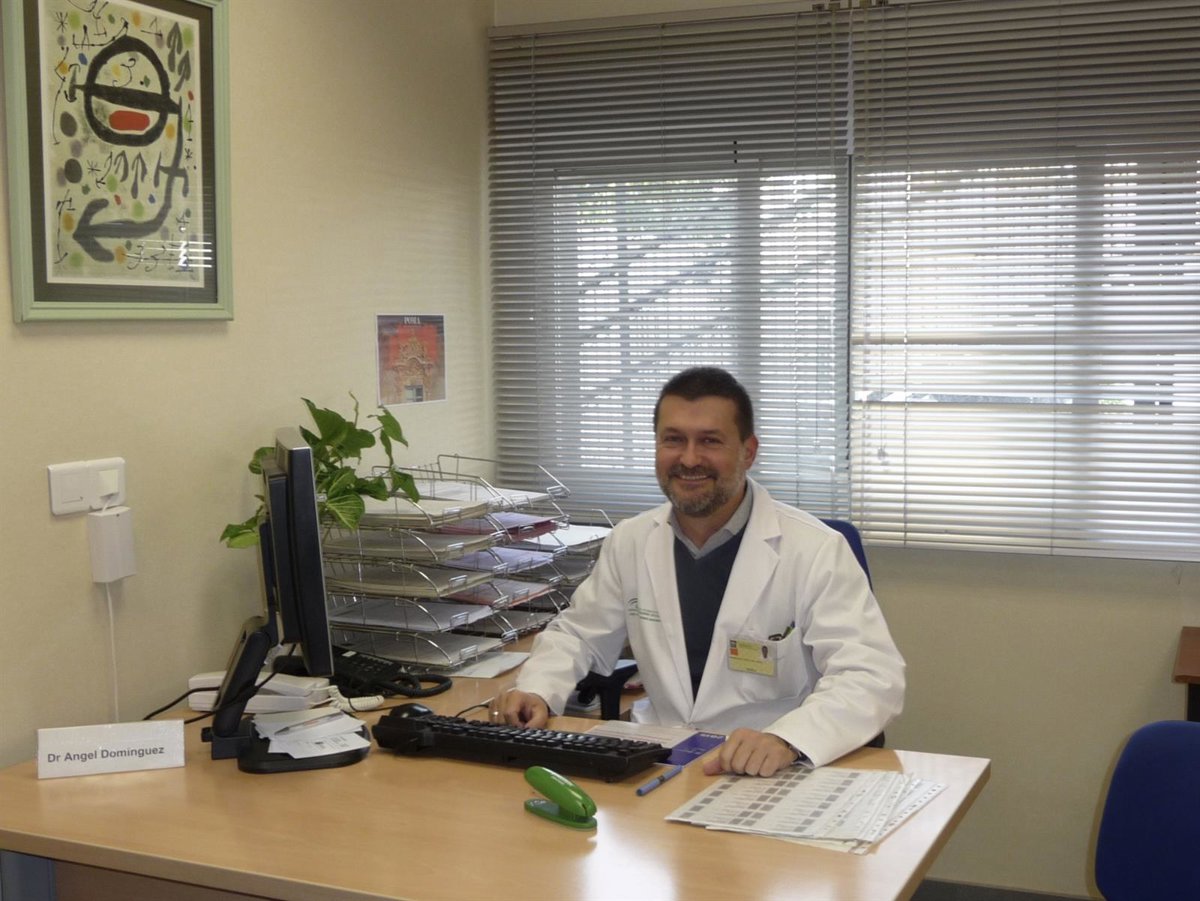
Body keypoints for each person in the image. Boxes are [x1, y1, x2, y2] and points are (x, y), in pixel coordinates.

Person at [499, 367, 905, 777]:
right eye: (673, 440)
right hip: (661, 756)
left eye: (710, 441)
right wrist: (537, 689)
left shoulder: (815, 549)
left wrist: (787, 739)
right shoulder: (632, 539)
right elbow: (579, 634)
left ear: (748, 452)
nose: (689, 459)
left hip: (774, 769)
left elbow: (871, 675)